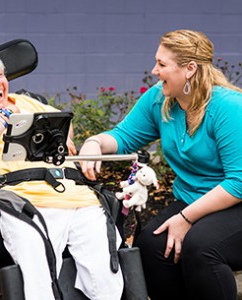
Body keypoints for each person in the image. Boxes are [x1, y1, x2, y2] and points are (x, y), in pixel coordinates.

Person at [0, 45, 124, 300]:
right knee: (39, 277)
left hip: (76, 198)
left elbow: (64, 125)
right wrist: (2, 116)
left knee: (106, 273)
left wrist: (63, 137)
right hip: (20, 204)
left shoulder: (27, 102)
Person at [79, 29, 242, 300]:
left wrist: (186, 218)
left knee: (201, 249)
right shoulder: (161, 99)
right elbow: (124, 136)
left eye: (162, 64)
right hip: (193, 199)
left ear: (190, 69)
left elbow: (238, 182)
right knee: (152, 246)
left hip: (234, 202)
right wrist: (95, 143)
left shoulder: (229, 108)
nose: (155, 71)